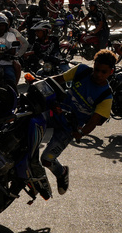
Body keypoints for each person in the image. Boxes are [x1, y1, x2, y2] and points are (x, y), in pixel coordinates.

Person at [39, 50, 117, 195]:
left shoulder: (106, 96)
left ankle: (61, 173)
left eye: (103, 72)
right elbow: (59, 79)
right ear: (93, 65)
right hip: (54, 112)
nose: (98, 74)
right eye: (97, 70)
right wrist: (40, 84)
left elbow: (93, 123)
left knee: (46, 160)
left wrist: (80, 133)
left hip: (68, 127)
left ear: (111, 72)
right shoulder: (81, 70)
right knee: (31, 123)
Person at [0, 14, 27, 86]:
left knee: (11, 78)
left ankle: (15, 92)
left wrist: (3, 54)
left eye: (3, 25)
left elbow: (13, 51)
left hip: (7, 63)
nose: (1, 27)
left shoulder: (11, 35)